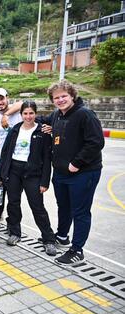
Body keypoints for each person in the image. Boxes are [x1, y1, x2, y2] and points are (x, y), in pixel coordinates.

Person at [45, 80, 104, 265]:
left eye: (64, 96)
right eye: (57, 97)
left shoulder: (85, 114)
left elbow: (96, 142)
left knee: (80, 211)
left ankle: (77, 250)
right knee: (64, 206)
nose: (60, 100)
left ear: (72, 95)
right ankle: (62, 236)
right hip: (61, 173)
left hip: (83, 172)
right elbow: (42, 121)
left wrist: (77, 163)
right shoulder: (57, 115)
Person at [0, 101, 57, 256]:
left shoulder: (42, 132)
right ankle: (15, 232)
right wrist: (0, 175)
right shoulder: (15, 129)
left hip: (33, 174)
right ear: (21, 114)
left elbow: (47, 158)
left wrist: (44, 181)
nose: (28, 116)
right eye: (25, 113)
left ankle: (48, 239)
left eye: (31, 113)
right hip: (14, 171)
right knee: (13, 203)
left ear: (35, 114)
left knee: (37, 206)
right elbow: (5, 153)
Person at [0, 88, 22, 228]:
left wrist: (6, 115)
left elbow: (22, 103)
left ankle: (13, 226)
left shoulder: (18, 111)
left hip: (16, 160)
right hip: (0, 161)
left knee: (14, 198)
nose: (0, 102)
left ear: (7, 97)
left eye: (2, 99)